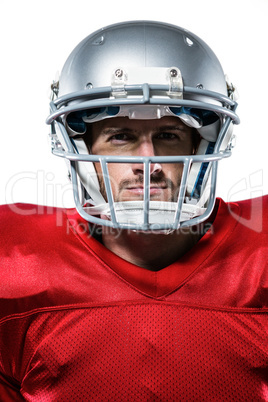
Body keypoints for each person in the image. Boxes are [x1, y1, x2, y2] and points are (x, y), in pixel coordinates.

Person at [0, 21, 267, 401]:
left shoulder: (260, 257)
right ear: (81, 147)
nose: (149, 161)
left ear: (202, 147)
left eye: (168, 135)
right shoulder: (15, 263)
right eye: (121, 136)